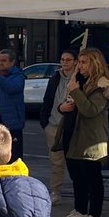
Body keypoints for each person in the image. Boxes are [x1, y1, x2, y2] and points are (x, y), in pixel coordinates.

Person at [61, 48, 109, 217]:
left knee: (92, 177)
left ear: (94, 63)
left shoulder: (102, 85)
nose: (80, 66)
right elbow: (72, 103)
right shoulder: (81, 80)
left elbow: (90, 110)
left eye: (84, 62)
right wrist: (63, 106)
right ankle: (80, 209)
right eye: (79, 62)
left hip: (92, 138)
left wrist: (76, 92)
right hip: (75, 134)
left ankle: (95, 215)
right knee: (77, 175)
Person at [38, 51, 77, 205]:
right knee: (56, 162)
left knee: (74, 161)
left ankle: (80, 192)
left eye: (68, 60)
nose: (65, 62)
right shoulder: (55, 77)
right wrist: (45, 122)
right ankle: (55, 191)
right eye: (62, 59)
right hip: (53, 124)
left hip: (71, 126)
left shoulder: (78, 78)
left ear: (74, 62)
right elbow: (47, 99)